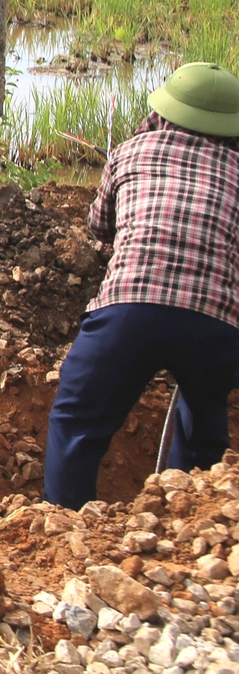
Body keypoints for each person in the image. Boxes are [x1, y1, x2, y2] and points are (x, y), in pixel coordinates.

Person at [44, 63, 239, 507]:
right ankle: (184, 520)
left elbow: (100, 226)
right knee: (205, 424)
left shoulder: (132, 152)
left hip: (127, 311)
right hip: (213, 326)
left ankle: (65, 522)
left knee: (77, 419)